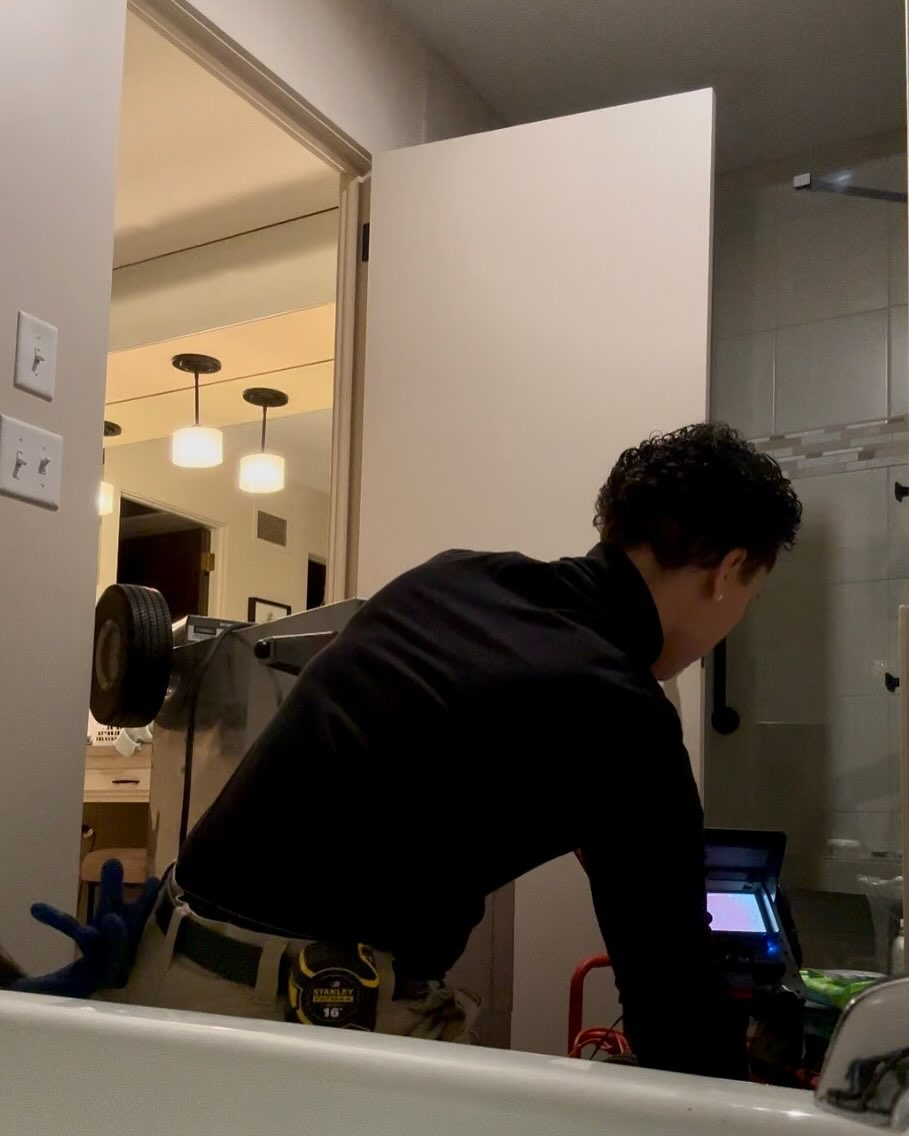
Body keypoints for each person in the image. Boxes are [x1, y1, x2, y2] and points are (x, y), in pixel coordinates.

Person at [108, 422, 801, 1076]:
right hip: (293, 1029)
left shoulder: (454, 576)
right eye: (749, 594)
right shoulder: (621, 710)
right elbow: (670, 988)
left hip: (159, 976)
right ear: (727, 570)